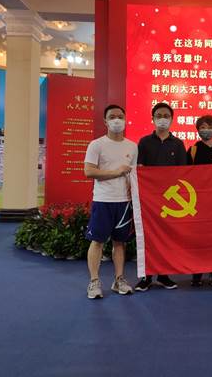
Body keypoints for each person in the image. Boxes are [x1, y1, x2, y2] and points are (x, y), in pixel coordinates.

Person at [84, 104, 138, 299]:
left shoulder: (132, 146)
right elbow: (89, 171)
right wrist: (116, 172)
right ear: (105, 121)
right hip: (103, 200)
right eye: (112, 117)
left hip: (124, 202)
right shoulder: (96, 145)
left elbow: (133, 174)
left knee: (120, 243)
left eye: (120, 116)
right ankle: (94, 281)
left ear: (125, 119)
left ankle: (119, 279)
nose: (117, 120)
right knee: (97, 241)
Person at [135, 102, 187, 291]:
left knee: (167, 237)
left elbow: (183, 173)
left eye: (166, 116)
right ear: (153, 119)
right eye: (159, 115)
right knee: (148, 237)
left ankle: (164, 275)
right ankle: (146, 276)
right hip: (149, 199)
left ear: (172, 119)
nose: (162, 119)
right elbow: (140, 169)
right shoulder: (144, 142)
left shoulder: (178, 144)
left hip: (170, 200)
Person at [187, 115, 212, 287]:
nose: (206, 130)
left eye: (209, 127)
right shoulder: (193, 150)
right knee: (198, 239)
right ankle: (197, 273)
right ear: (197, 130)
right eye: (202, 127)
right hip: (197, 201)